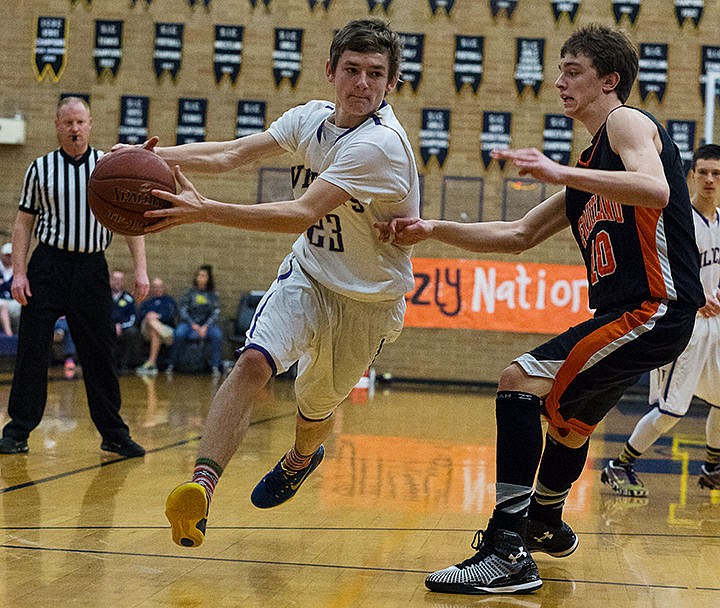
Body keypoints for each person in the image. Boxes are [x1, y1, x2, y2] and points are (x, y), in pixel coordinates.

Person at [377, 23, 703, 594]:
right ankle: (547, 523)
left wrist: (558, 171)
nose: (558, 82)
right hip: (630, 314)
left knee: (518, 380)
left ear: (610, 80)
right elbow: (518, 234)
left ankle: (506, 550)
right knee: (570, 426)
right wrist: (432, 229)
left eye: (572, 71)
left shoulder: (626, 123)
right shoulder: (590, 168)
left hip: (656, 306)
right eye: (559, 70)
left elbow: (654, 190)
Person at [125, 18, 418, 548]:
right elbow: (232, 154)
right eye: (352, 70)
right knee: (253, 361)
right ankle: (201, 489)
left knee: (315, 410)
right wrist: (147, 157)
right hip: (309, 273)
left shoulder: (381, 146)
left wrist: (204, 210)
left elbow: (300, 212)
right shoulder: (309, 119)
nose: (362, 84)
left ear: (391, 84)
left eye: (376, 74)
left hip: (367, 300)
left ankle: (302, 457)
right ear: (330, 72)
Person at [0, 96, 149, 457]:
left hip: (91, 268)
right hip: (48, 265)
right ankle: (18, 431)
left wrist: (141, 269)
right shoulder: (40, 168)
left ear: (90, 124)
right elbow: (24, 223)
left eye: (80, 122)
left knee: (100, 352)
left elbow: (130, 221)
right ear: (57, 126)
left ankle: (114, 434)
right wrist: (19, 273)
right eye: (68, 122)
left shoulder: (107, 166)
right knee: (33, 348)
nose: (75, 128)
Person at [602, 144, 720, 496]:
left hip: (716, 325)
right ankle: (620, 464)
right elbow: (659, 269)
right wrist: (695, 298)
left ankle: (713, 466)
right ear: (691, 175)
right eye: (703, 172)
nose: (710, 179)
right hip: (685, 323)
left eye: (717, 173)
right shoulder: (679, 220)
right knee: (670, 410)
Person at [166, 264, 222, 376]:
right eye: (199, 275)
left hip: (207, 325)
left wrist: (205, 326)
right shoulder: (189, 293)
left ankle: (215, 366)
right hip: (189, 324)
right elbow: (183, 310)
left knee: (217, 335)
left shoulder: (213, 295)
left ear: (208, 278)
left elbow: (215, 312)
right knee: (179, 333)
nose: (200, 278)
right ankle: (172, 364)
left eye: (203, 275)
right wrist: (193, 325)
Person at [136, 277, 177, 376]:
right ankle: (162, 332)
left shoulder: (170, 301)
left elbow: (171, 316)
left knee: (154, 331)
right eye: (155, 287)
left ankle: (151, 363)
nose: (158, 289)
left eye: (160, 287)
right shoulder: (146, 302)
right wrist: (149, 317)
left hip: (166, 328)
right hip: (148, 330)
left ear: (164, 288)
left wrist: (158, 317)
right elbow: (139, 316)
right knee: (150, 320)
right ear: (151, 288)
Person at [110, 269, 143, 374]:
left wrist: (121, 326)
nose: (117, 282)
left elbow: (132, 318)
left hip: (124, 329)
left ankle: (125, 364)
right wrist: (112, 326)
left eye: (120, 280)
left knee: (133, 333)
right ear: (110, 280)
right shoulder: (103, 297)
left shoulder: (128, 298)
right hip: (107, 328)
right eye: (115, 279)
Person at [0, 242, 21, 336]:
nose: (8, 258)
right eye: (7, 255)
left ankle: (22, 334)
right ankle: (9, 335)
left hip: (12, 300)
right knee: (2, 305)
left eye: (10, 255)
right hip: (1, 301)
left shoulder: (17, 270)